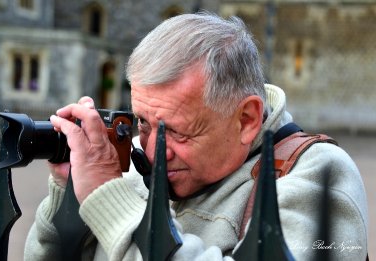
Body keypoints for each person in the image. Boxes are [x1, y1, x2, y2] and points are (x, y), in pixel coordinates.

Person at [24, 12, 368, 260]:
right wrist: (70, 194)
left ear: (246, 119)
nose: (154, 151)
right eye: (143, 122)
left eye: (175, 131)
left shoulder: (317, 174)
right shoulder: (128, 168)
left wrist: (110, 200)